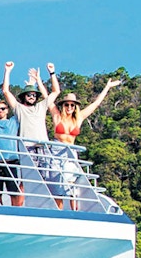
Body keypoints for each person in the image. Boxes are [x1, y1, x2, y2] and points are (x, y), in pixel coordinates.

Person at [47, 77, 122, 210]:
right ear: (63, 106)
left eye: (72, 105)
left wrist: (107, 87)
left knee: (71, 184)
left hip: (71, 152)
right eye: (67, 104)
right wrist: (43, 77)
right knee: (57, 185)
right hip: (57, 150)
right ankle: (58, 212)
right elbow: (48, 99)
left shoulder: (79, 118)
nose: (69, 107)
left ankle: (73, 212)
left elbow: (96, 104)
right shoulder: (57, 116)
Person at [2, 61, 60, 201]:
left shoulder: (41, 106)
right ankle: (20, 208)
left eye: (34, 95)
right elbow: (5, 91)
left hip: (43, 147)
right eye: (29, 95)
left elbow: (56, 91)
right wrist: (8, 71)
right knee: (26, 180)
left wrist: (51, 73)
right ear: (24, 97)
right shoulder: (19, 108)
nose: (32, 97)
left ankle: (46, 205)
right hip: (27, 148)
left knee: (46, 178)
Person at [0, 99, 23, 206]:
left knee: (14, 192)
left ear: (7, 110)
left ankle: (15, 213)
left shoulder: (14, 122)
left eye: (3, 108)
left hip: (11, 161)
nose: (0, 111)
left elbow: (19, 108)